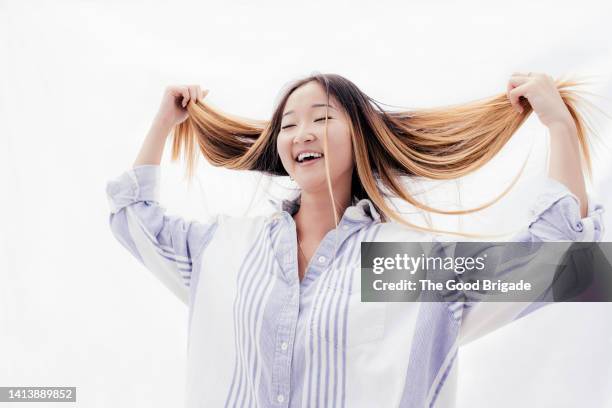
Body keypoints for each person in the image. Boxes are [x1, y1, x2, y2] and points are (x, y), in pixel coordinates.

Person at [105, 72, 604, 407]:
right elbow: (133, 217)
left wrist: (558, 125)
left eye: (322, 118)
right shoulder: (230, 251)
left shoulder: (394, 265)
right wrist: (163, 124)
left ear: (358, 135)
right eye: (288, 124)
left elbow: (561, 263)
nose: (302, 132)